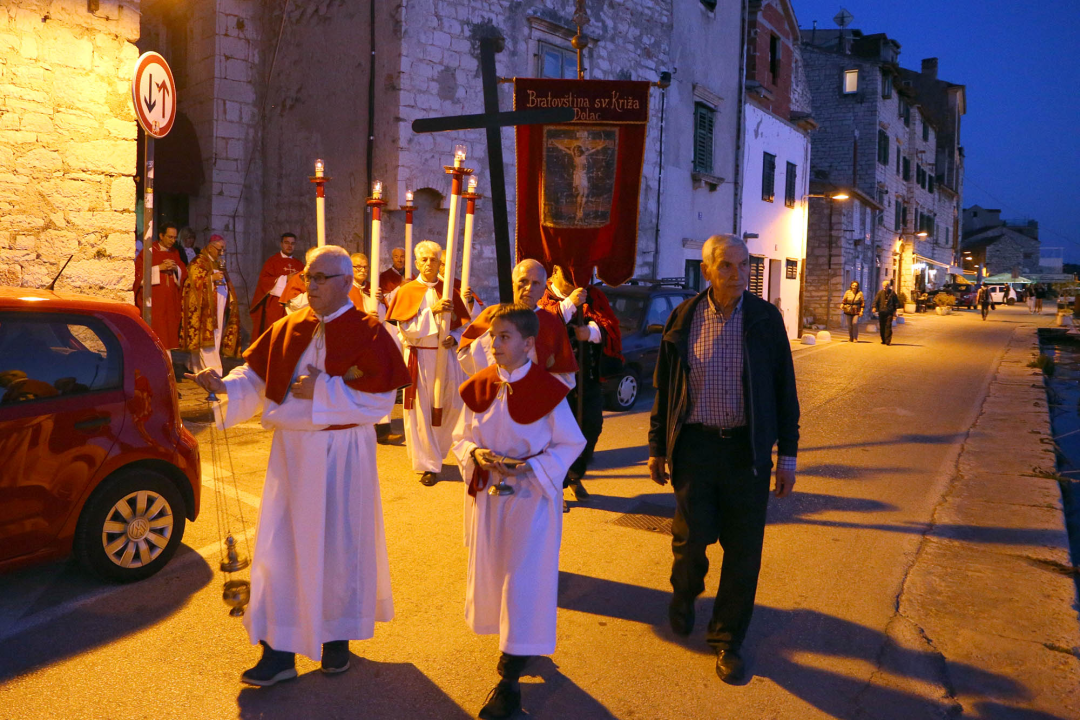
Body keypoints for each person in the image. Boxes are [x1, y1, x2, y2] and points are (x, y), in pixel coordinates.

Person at [185, 245, 410, 687]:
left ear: (347, 282)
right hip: (293, 454)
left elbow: (381, 402)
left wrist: (323, 391)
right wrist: (224, 386)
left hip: (344, 454)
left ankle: (338, 639)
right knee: (282, 551)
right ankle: (279, 652)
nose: (312, 285)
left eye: (322, 278)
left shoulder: (369, 333)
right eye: (309, 276)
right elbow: (256, 378)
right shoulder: (288, 326)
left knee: (340, 547)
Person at [647, 234, 799, 685]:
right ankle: (685, 593)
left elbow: (784, 392)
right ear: (708, 271)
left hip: (747, 454)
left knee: (744, 551)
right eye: (727, 267)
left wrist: (787, 457)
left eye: (743, 265)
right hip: (695, 449)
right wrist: (657, 446)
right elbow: (666, 387)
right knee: (691, 540)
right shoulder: (686, 315)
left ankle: (727, 639)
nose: (738, 275)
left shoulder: (765, 320)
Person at [451, 304, 586, 720]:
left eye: (504, 337)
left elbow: (570, 444)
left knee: (522, 582)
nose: (494, 344)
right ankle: (512, 646)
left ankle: (508, 680)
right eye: (493, 336)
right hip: (490, 500)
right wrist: (477, 453)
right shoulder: (481, 385)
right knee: (494, 577)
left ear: (529, 344)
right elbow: (459, 438)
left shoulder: (548, 392)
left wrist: (535, 466)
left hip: (530, 503)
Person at [385, 240, 471, 485]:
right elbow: (407, 330)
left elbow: (464, 326)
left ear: (439, 262)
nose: (428, 264)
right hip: (420, 357)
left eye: (433, 259)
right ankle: (428, 464)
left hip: (446, 357)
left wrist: (453, 339)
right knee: (421, 412)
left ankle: (439, 451)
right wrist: (431, 312)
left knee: (452, 405)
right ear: (416, 263)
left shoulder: (449, 289)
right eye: (423, 259)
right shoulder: (407, 291)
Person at [537, 265, 621, 508]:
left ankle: (574, 474)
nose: (577, 283)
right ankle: (557, 487)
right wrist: (570, 304)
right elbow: (541, 325)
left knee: (590, 428)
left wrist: (592, 332)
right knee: (555, 436)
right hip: (554, 382)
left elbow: (611, 326)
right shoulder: (543, 295)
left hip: (587, 378)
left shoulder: (593, 295)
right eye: (570, 277)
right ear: (555, 273)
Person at [458, 259, 578, 388]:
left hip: (534, 398)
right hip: (496, 393)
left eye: (536, 283)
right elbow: (465, 355)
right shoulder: (492, 314)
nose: (529, 288)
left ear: (543, 290)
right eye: (523, 281)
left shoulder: (551, 322)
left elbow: (565, 375)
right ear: (513, 283)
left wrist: (539, 389)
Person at [350, 252, 396, 444]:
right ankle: (359, 427)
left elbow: (383, 317)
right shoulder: (345, 289)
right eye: (358, 267)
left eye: (365, 267)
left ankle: (383, 429)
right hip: (354, 345)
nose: (362, 270)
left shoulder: (372, 289)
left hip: (374, 343)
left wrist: (377, 301)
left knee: (380, 383)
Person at [181, 234, 240, 373]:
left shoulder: (217, 262)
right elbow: (192, 282)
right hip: (205, 307)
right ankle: (213, 369)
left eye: (223, 249)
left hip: (219, 305)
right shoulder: (199, 261)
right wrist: (211, 278)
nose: (221, 252)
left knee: (216, 335)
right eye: (220, 249)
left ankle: (196, 366)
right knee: (208, 337)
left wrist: (231, 298)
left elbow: (226, 283)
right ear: (211, 247)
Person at [133, 222, 186, 350]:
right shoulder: (149, 251)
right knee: (156, 332)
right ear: (161, 236)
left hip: (170, 302)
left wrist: (175, 268)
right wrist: (159, 268)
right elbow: (138, 275)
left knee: (168, 333)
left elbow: (183, 273)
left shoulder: (175, 252)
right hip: (155, 301)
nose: (173, 241)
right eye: (170, 237)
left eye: (174, 237)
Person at [250, 233, 305, 337]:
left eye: (292, 243)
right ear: (281, 244)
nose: (290, 246)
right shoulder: (272, 261)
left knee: (290, 332)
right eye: (287, 243)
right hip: (275, 304)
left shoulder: (299, 264)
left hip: (293, 304)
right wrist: (285, 279)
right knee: (275, 332)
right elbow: (264, 281)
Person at [872, 280, 899, 346]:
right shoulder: (880, 293)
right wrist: (874, 307)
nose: (885, 287)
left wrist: (895, 311)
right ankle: (883, 339)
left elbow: (896, 302)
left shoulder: (892, 293)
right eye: (884, 285)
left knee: (888, 326)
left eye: (886, 286)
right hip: (882, 311)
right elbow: (876, 300)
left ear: (889, 286)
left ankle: (888, 340)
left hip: (889, 312)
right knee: (882, 326)